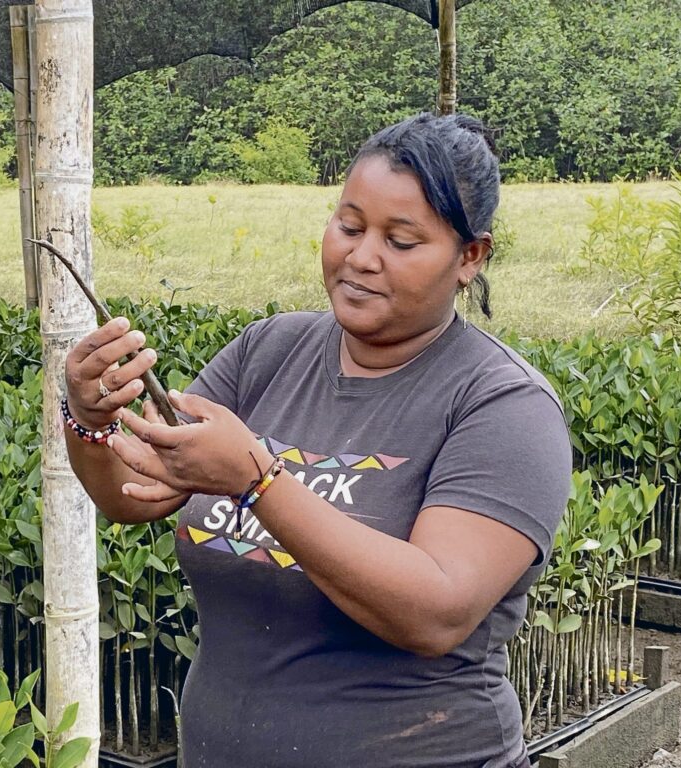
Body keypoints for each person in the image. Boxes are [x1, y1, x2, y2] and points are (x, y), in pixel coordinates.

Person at [62, 112, 573, 768]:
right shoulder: (268, 352)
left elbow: (435, 612)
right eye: (350, 225)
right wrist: (88, 418)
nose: (361, 256)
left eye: (402, 240)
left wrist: (258, 482)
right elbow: (135, 492)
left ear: (470, 256)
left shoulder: (504, 405)